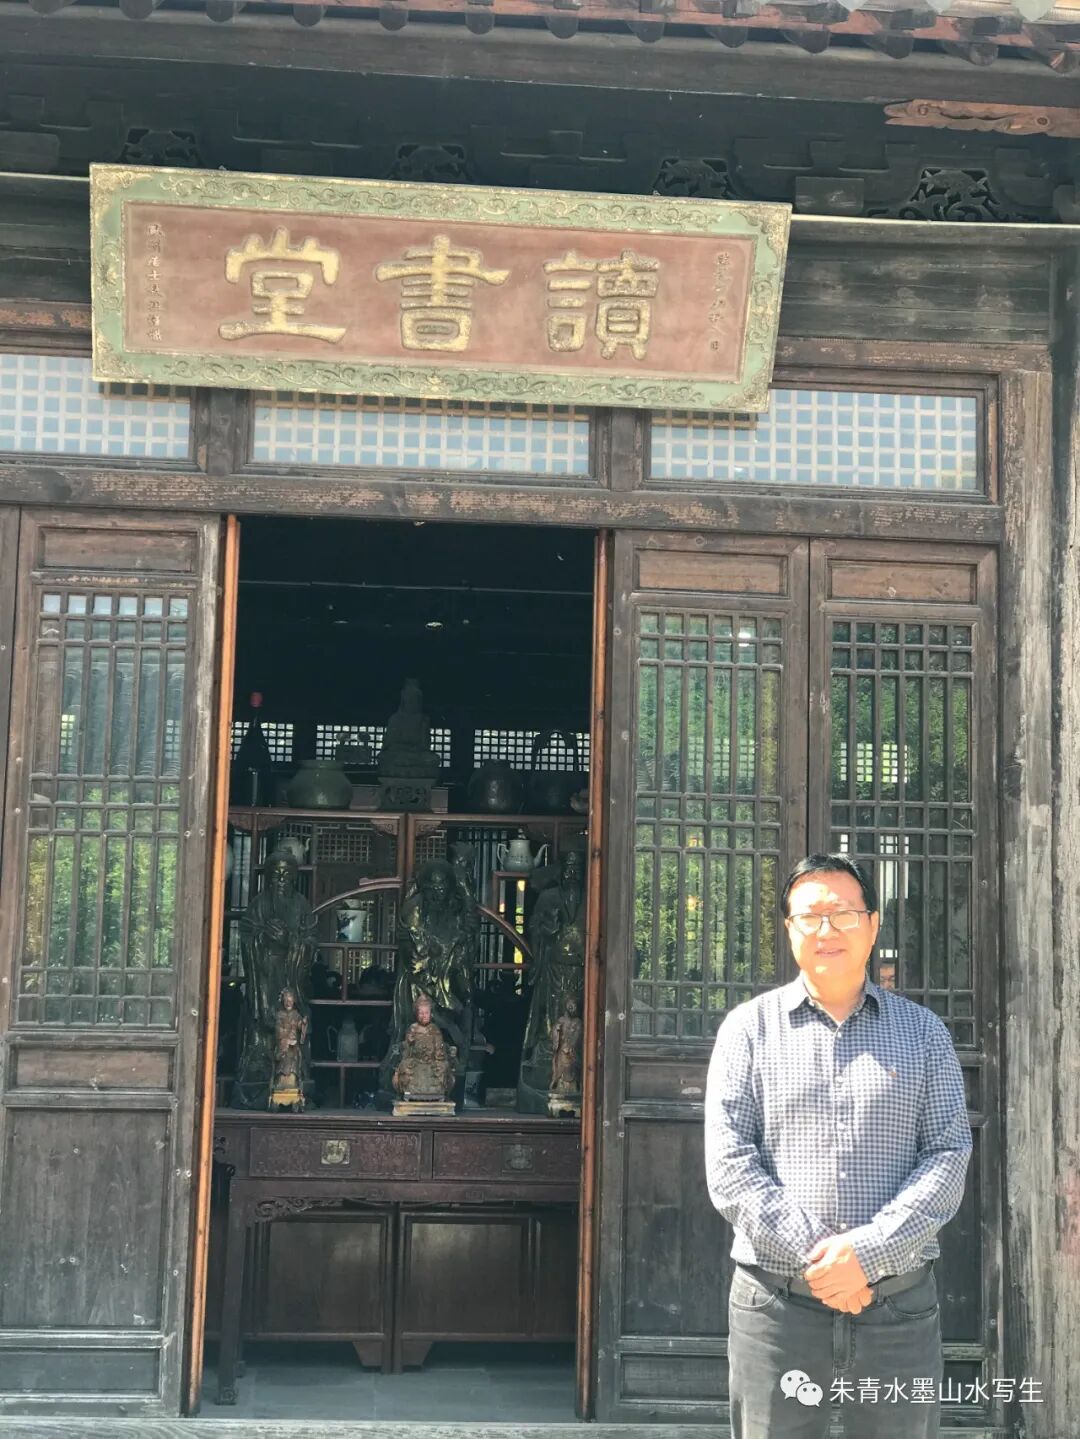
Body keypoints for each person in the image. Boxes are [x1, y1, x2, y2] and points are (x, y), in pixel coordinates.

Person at [704, 853, 971, 1438]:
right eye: (810, 916)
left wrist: (867, 1255)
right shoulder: (748, 1030)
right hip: (776, 1312)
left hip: (897, 1312)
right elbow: (729, 1165)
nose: (827, 929)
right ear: (789, 929)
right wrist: (825, 1262)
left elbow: (948, 1155)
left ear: (872, 926)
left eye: (843, 913)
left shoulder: (924, 1034)